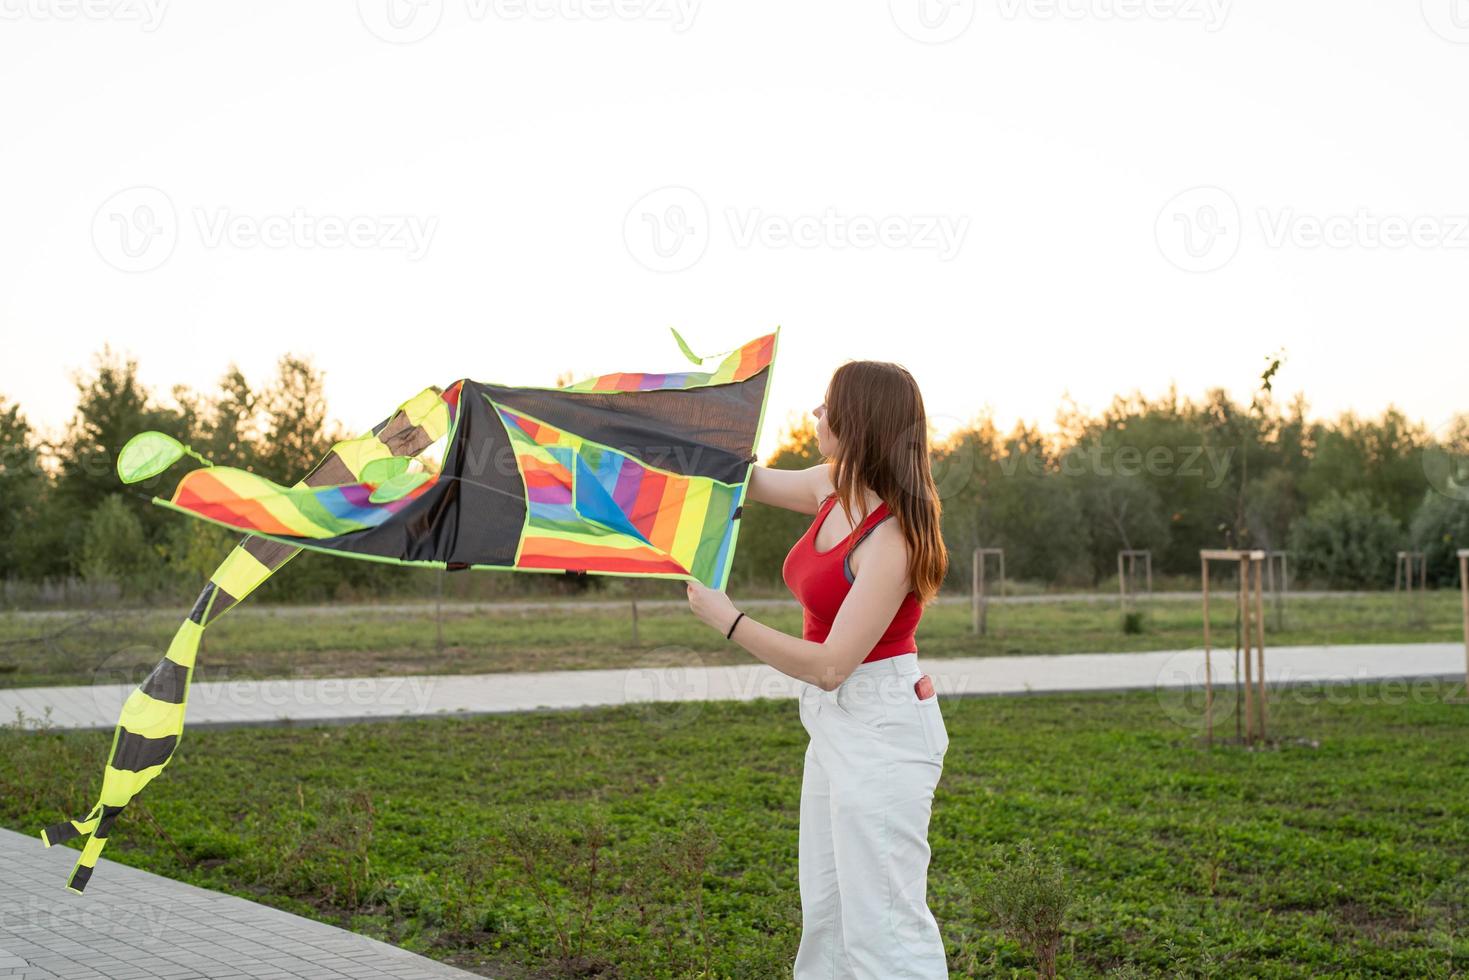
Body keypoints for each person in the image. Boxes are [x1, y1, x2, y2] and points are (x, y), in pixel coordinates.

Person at [685, 359, 951, 979]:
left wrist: (730, 621)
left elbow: (832, 666)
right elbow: (740, 480)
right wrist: (691, 423)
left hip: (882, 726)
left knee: (884, 922)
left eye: (827, 406)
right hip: (835, 724)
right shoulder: (830, 487)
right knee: (829, 915)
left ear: (858, 421)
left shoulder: (894, 539)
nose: (815, 415)